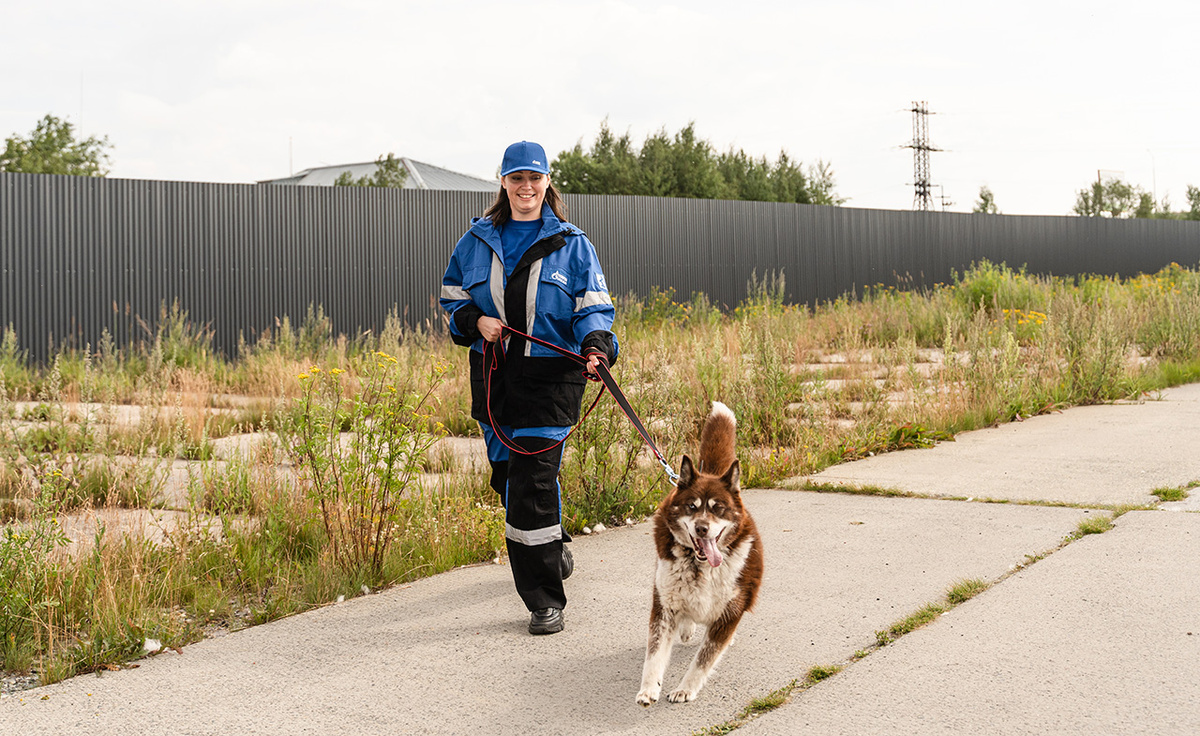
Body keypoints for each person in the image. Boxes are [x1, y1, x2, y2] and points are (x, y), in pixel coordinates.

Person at [439, 140, 618, 635]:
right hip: (494, 380)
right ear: (503, 182)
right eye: (516, 178)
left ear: (547, 182)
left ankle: (543, 600)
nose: (526, 187)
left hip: (550, 381)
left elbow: (593, 308)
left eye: (534, 178)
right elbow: (452, 298)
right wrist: (475, 321)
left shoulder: (573, 244)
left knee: (532, 485)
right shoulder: (475, 241)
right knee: (507, 478)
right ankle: (551, 547)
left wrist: (597, 347)